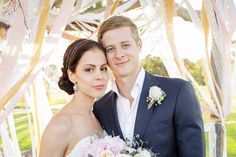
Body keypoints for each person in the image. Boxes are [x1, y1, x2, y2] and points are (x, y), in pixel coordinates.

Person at [93, 15, 206, 157]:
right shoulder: (101, 107)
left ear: (139, 45)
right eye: (110, 49)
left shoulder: (178, 92)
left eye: (125, 45)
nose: (119, 54)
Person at [39, 39, 109, 157]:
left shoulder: (97, 115)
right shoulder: (60, 125)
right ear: (72, 75)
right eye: (89, 69)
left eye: (103, 68)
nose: (100, 76)